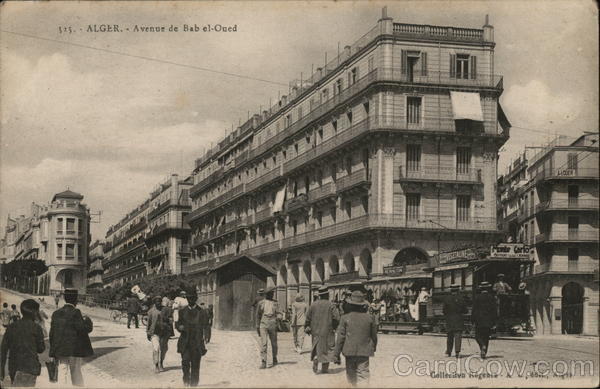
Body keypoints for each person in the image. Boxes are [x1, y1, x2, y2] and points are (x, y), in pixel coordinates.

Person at [49, 289, 94, 386]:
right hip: (74, 349)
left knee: (62, 371)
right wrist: (88, 320)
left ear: (64, 298)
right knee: (76, 371)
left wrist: (52, 351)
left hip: (60, 348)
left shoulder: (56, 313)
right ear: (76, 300)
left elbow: (52, 334)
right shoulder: (76, 312)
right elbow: (83, 329)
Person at [334, 289, 378, 387]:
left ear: (350, 305)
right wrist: (373, 347)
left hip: (349, 351)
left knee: (351, 375)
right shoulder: (370, 318)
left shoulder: (345, 318)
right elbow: (374, 336)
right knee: (363, 374)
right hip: (364, 350)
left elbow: (340, 338)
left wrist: (336, 354)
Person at [0, 299, 45, 387]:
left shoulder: (11, 327)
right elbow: (41, 349)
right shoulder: (36, 328)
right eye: (37, 311)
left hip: (14, 368)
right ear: (34, 312)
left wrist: (1, 374)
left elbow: (3, 350)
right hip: (31, 368)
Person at [305, 286, 339, 374]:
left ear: (319, 295)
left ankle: (316, 358)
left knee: (317, 346)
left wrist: (307, 326)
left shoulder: (313, 305)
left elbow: (308, 318)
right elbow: (336, 318)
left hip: (315, 330)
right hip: (328, 329)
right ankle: (324, 368)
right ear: (327, 295)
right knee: (327, 348)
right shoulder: (331, 305)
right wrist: (334, 327)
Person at [176, 292, 207, 387]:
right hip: (185, 341)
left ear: (196, 298)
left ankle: (194, 384)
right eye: (189, 298)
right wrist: (179, 327)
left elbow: (206, 326)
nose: (190, 300)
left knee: (195, 365)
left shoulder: (201, 312)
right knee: (185, 362)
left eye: (192, 298)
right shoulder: (182, 311)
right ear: (187, 299)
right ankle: (186, 378)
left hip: (197, 342)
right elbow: (177, 323)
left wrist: (205, 338)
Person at [256, 287, 279, 369]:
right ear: (267, 294)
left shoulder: (275, 303)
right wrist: (257, 326)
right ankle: (263, 361)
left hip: (272, 322)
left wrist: (278, 320)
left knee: (274, 343)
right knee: (264, 343)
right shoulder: (261, 303)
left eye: (272, 293)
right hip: (264, 323)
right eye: (270, 293)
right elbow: (258, 315)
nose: (272, 294)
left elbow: (278, 313)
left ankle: (274, 358)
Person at [472, 281, 497, 359]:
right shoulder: (491, 297)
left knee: (477, 336)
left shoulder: (477, 297)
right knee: (486, 336)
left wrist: (472, 320)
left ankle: (482, 346)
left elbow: (474, 310)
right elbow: (494, 310)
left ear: (481, 288)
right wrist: (494, 321)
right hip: (488, 320)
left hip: (479, 320)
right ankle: (484, 352)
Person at [443, 284, 467, 358]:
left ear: (451, 290)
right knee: (458, 336)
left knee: (450, 336)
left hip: (449, 319)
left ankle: (448, 352)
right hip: (458, 319)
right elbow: (465, 310)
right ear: (458, 290)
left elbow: (444, 311)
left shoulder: (447, 298)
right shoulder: (461, 298)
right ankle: (457, 352)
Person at [147, 296, 170, 373]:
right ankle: (156, 365)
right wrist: (148, 332)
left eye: (160, 301)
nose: (158, 303)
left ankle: (161, 363)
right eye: (157, 302)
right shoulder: (151, 311)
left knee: (164, 349)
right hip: (154, 333)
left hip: (164, 333)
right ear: (154, 302)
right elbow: (148, 323)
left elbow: (170, 320)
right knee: (156, 348)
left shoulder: (165, 310)